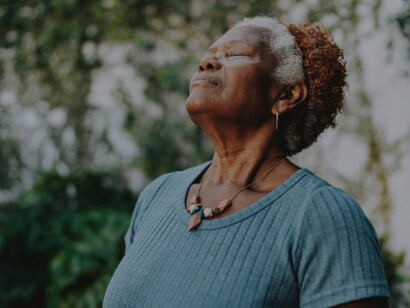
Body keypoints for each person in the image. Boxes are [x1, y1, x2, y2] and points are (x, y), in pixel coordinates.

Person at [103, 17, 390, 307]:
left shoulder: (321, 215)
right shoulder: (158, 194)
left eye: (235, 54)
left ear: (286, 94)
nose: (207, 63)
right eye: (208, 56)